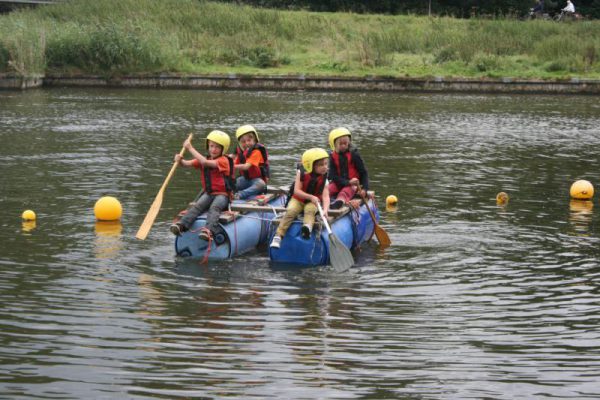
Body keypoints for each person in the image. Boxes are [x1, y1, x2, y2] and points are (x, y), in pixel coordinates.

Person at [170, 130, 235, 241]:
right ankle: (182, 226)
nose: (213, 149)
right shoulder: (204, 159)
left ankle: (209, 231)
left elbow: (205, 163)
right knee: (197, 206)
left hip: (223, 195)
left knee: (214, 208)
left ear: (223, 149)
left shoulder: (223, 160)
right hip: (209, 193)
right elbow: (186, 164)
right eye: (211, 146)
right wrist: (179, 160)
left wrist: (190, 148)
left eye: (217, 147)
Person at [270, 148, 330, 249]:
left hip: (313, 202)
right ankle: (278, 236)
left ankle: (307, 228)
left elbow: (325, 196)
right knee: (291, 211)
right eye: (321, 165)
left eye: (325, 164)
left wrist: (325, 210)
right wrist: (311, 197)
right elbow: (296, 191)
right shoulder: (301, 173)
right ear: (310, 165)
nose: (325, 167)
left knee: (310, 210)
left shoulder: (324, 178)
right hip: (299, 199)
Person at [327, 127, 369, 210]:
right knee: (327, 189)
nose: (343, 146)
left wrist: (364, 189)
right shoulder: (332, 157)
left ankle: (339, 202)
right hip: (338, 183)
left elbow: (364, 172)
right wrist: (346, 182)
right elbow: (332, 176)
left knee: (345, 192)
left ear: (349, 143)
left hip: (352, 185)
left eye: (345, 143)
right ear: (334, 144)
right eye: (340, 144)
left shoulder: (354, 155)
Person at [233, 124, 269, 199]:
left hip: (257, 180)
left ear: (255, 140)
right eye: (243, 141)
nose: (246, 143)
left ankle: (240, 195)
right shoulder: (241, 152)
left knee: (261, 184)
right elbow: (234, 165)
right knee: (230, 182)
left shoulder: (257, 152)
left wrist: (231, 165)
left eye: (249, 140)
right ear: (240, 143)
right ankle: (227, 193)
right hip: (245, 179)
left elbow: (246, 166)